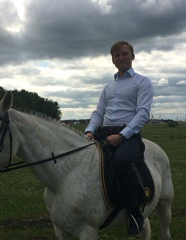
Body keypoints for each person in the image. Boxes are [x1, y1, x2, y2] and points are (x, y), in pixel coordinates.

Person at [85, 40, 154, 236]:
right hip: (104, 131)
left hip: (128, 134)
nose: (121, 57)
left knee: (121, 160)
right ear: (113, 60)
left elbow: (142, 114)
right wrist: (90, 130)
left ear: (132, 56)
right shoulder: (108, 86)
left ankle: (134, 213)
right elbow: (99, 112)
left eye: (125, 53)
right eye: (117, 55)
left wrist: (122, 136)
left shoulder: (142, 82)